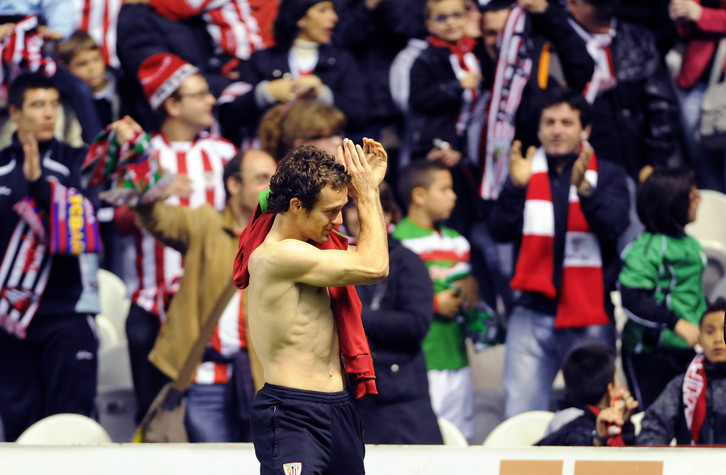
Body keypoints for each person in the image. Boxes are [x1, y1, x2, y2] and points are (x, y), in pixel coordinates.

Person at [233, 139, 388, 474]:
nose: (338, 220)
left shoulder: (310, 251)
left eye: (343, 208)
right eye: (330, 211)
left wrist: (365, 192)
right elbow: (375, 266)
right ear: (297, 206)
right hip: (293, 412)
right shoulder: (278, 256)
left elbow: (370, 259)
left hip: (339, 408)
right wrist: (368, 196)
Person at [489, 87, 629, 418]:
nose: (557, 130)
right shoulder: (523, 170)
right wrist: (514, 189)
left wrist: (586, 192)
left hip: (588, 313)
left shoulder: (608, 175)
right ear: (538, 129)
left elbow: (614, 226)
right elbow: (499, 230)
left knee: (596, 415)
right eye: (549, 122)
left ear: (585, 130)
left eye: (567, 122)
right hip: (531, 311)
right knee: (520, 415)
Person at [116, 52, 236, 423]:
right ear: (172, 104)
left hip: (212, 301)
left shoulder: (224, 153)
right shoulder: (142, 153)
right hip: (151, 301)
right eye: (199, 94)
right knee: (154, 415)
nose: (210, 100)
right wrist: (157, 189)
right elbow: (119, 219)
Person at [127, 146, 277, 442]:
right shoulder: (204, 223)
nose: (272, 187)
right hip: (205, 378)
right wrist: (155, 190)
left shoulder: (282, 235)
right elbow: (153, 216)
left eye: (275, 178)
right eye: (261, 178)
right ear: (234, 185)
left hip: (262, 380)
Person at [0, 73, 101, 441]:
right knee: (19, 428)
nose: (48, 114)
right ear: (15, 111)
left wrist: (41, 185)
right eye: (37, 105)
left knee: (70, 428)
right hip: (11, 319)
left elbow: (84, 226)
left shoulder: (77, 161)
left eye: (54, 104)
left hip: (66, 313)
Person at [392, 160, 488, 440]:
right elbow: (390, 300)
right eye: (444, 189)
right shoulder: (398, 241)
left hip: (457, 357)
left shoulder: (458, 242)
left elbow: (471, 293)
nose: (453, 196)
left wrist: (470, 290)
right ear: (419, 195)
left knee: (460, 440)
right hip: (422, 360)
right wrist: (434, 303)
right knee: (425, 442)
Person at [344, 182, 443, 445]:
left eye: (366, 206)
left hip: (401, 400)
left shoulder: (407, 261)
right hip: (353, 396)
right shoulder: (338, 260)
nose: (356, 215)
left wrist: (357, 320)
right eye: (351, 207)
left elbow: (416, 324)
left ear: (387, 215)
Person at [218, 0, 367, 146]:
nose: (334, 17)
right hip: (271, 153)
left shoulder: (342, 60)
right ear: (300, 18)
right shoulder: (263, 59)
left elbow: (360, 117)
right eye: (323, 10)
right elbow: (229, 116)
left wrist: (323, 95)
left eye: (332, 10)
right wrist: (265, 93)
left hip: (325, 156)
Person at [619, 167, 706, 410]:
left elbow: (693, 294)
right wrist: (675, 322)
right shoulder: (647, 248)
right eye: (692, 195)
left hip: (686, 351)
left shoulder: (689, 243)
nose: (699, 199)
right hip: (650, 354)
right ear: (674, 201)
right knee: (655, 421)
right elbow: (632, 299)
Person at [638, 298, 726, 445]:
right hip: (691, 466)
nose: (718, 339)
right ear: (700, 338)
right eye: (710, 332)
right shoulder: (682, 385)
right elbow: (654, 428)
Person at [669, 0, 726, 192]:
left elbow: (700, 14)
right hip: (696, 78)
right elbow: (685, 30)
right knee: (702, 161)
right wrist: (682, 15)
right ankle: (713, 213)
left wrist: (703, 15)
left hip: (720, 80)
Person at [536, 343, 639, 446]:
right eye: (618, 380)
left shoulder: (579, 415)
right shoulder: (570, 419)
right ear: (610, 389)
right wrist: (598, 439)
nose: (622, 386)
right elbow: (577, 443)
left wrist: (623, 423)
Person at [257, 99, 345, 161]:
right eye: (327, 137)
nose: (338, 141)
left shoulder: (351, 165)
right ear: (301, 145)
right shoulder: (279, 181)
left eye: (337, 133)